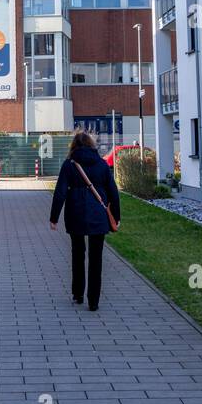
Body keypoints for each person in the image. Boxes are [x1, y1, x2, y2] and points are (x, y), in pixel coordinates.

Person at [49, 131, 120, 312]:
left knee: (77, 254)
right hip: (98, 215)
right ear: (91, 145)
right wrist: (116, 217)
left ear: (74, 146)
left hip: (75, 213)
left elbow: (60, 192)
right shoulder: (102, 164)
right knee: (96, 259)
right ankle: (93, 301)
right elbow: (113, 192)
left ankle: (78, 293)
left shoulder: (69, 164)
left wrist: (54, 217)